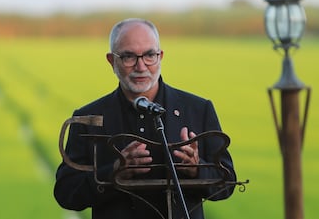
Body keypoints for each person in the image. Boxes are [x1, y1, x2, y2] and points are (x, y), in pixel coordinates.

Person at [54, 18, 236, 219]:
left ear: (161, 56)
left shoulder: (198, 109)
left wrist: (196, 170)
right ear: (111, 60)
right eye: (128, 56)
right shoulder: (87, 118)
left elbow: (227, 184)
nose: (141, 66)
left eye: (149, 55)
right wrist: (114, 172)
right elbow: (66, 193)